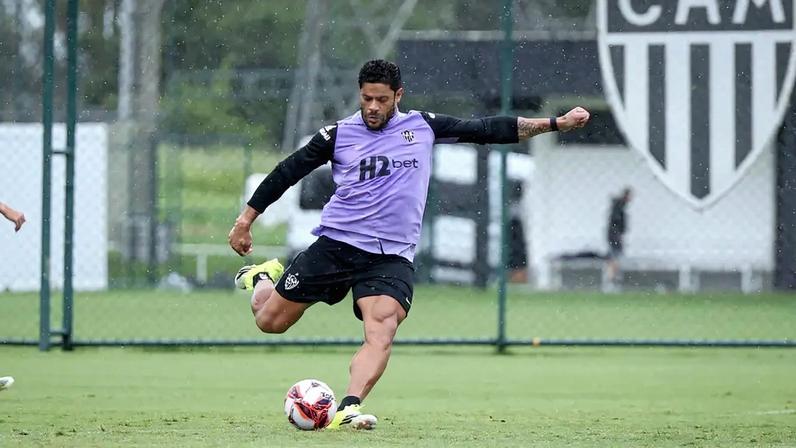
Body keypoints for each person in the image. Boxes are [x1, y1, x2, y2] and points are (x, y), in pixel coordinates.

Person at [228, 59, 590, 430]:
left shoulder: (422, 127)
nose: (372, 107)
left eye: (381, 99)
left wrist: (555, 123)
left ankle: (348, 408)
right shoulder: (337, 135)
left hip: (390, 256)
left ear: (397, 96)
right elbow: (287, 172)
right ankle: (262, 278)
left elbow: (485, 129)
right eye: (366, 98)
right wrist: (246, 220)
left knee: (381, 328)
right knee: (269, 322)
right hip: (336, 245)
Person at [606, 187, 632, 288]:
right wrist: (618, 235)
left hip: (614, 235)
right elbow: (616, 223)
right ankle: (612, 279)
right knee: (615, 256)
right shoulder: (619, 207)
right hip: (614, 236)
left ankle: (613, 278)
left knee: (615, 256)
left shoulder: (619, 206)